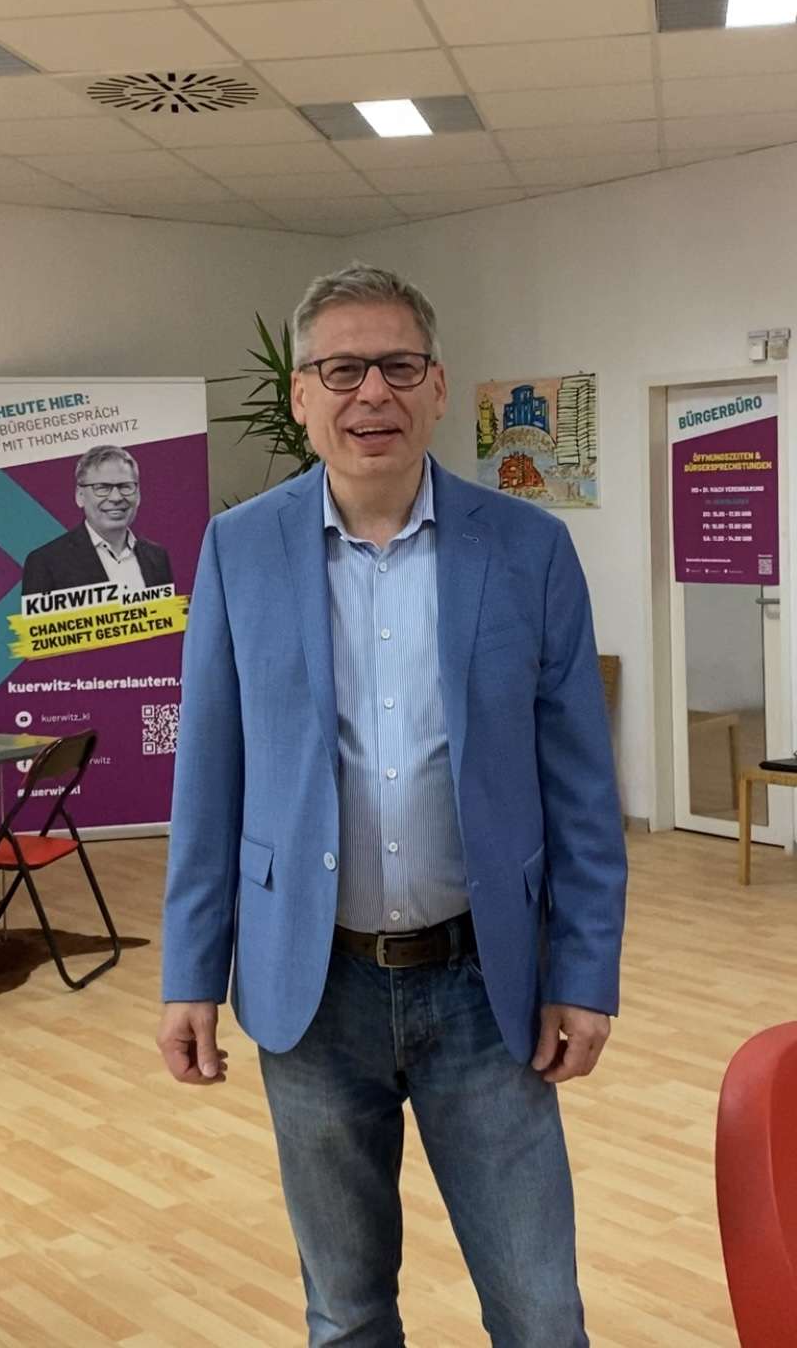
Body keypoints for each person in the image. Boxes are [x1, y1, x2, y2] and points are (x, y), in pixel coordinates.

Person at [157, 262, 627, 1348]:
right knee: (348, 1311)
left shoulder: (528, 550)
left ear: (437, 385)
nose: (372, 392)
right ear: (302, 395)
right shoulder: (239, 550)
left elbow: (580, 787)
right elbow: (209, 775)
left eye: (398, 366)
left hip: (484, 987)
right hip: (311, 990)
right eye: (341, 369)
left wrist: (583, 970)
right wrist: (190, 970)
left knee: (540, 1311)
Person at [21, 444, 172, 595]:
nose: (116, 497)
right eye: (102, 488)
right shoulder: (45, 562)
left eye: (125, 486)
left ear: (138, 494)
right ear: (80, 496)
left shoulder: (157, 557)